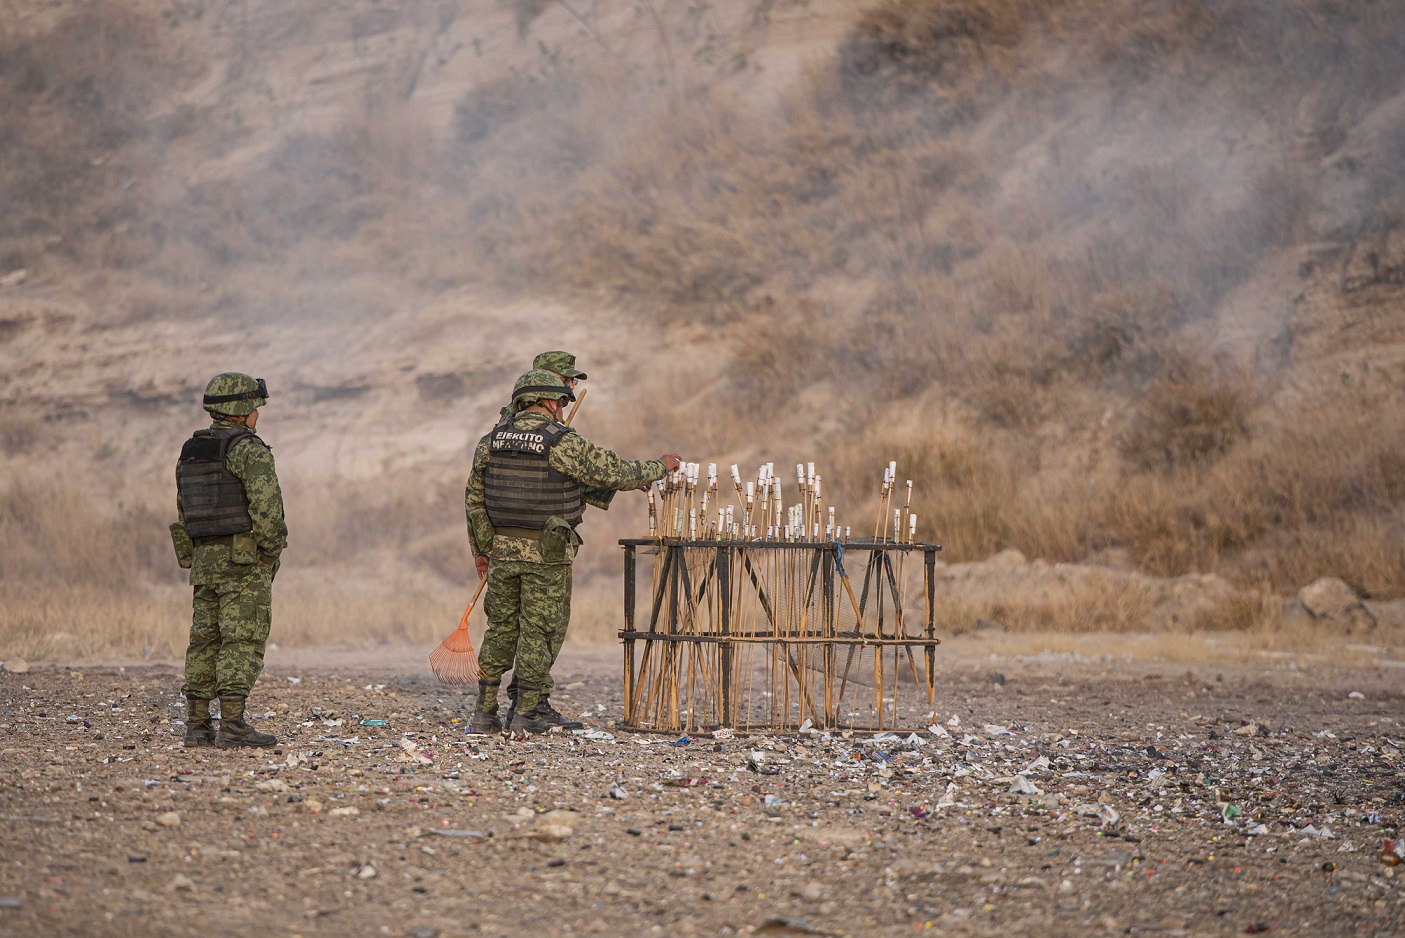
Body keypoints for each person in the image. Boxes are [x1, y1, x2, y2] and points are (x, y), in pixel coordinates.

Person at [465, 369, 680, 734]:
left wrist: (482, 549)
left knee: (500, 629)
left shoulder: (491, 440)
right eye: (562, 402)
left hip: (501, 551)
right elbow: (613, 471)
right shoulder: (560, 441)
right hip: (546, 554)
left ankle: (484, 715)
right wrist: (660, 466)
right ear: (549, 402)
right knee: (539, 632)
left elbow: (474, 499)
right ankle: (526, 714)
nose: (564, 410)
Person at [169, 373, 288, 748]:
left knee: (204, 641)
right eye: (254, 408)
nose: (257, 415)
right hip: (243, 563)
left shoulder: (191, 451)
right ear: (242, 411)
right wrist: (270, 554)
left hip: (204, 562)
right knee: (241, 639)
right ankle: (233, 725)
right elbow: (268, 512)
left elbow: (184, 510)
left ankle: (197, 726)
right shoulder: (250, 450)